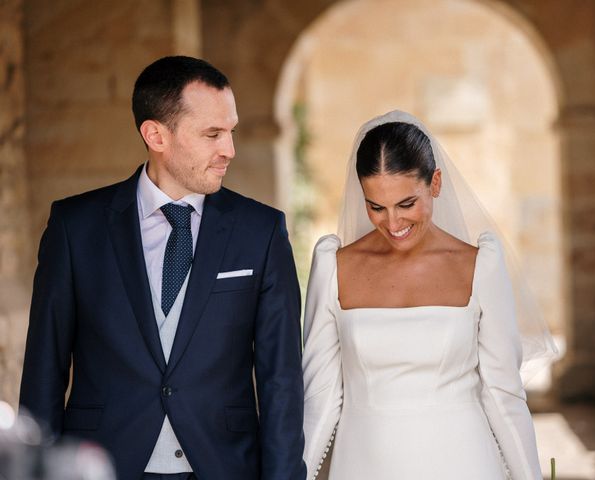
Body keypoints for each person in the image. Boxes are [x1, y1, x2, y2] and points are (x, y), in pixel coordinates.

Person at [20, 56, 306, 480]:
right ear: (155, 134)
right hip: (106, 465)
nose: (229, 149)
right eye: (212, 134)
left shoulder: (261, 231)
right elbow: (44, 369)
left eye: (231, 132)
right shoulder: (75, 227)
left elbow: (281, 380)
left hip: (223, 466)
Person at [302, 111, 554, 480]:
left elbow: (503, 395)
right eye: (377, 207)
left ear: (435, 183)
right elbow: (320, 399)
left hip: (464, 462)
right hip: (363, 464)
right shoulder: (334, 267)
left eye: (407, 204)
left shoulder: (479, 265)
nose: (393, 223)